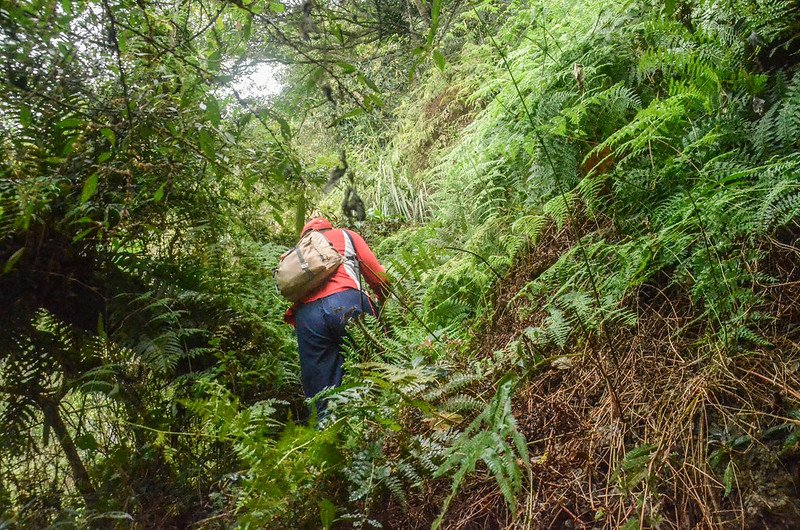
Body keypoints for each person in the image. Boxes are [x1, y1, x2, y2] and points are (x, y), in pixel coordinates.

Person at [285, 217, 389, 422]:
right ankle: (382, 420)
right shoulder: (346, 235)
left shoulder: (297, 253)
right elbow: (378, 277)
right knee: (378, 367)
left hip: (307, 317)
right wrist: (382, 300)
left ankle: (328, 438)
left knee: (321, 391)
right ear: (328, 226)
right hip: (347, 301)